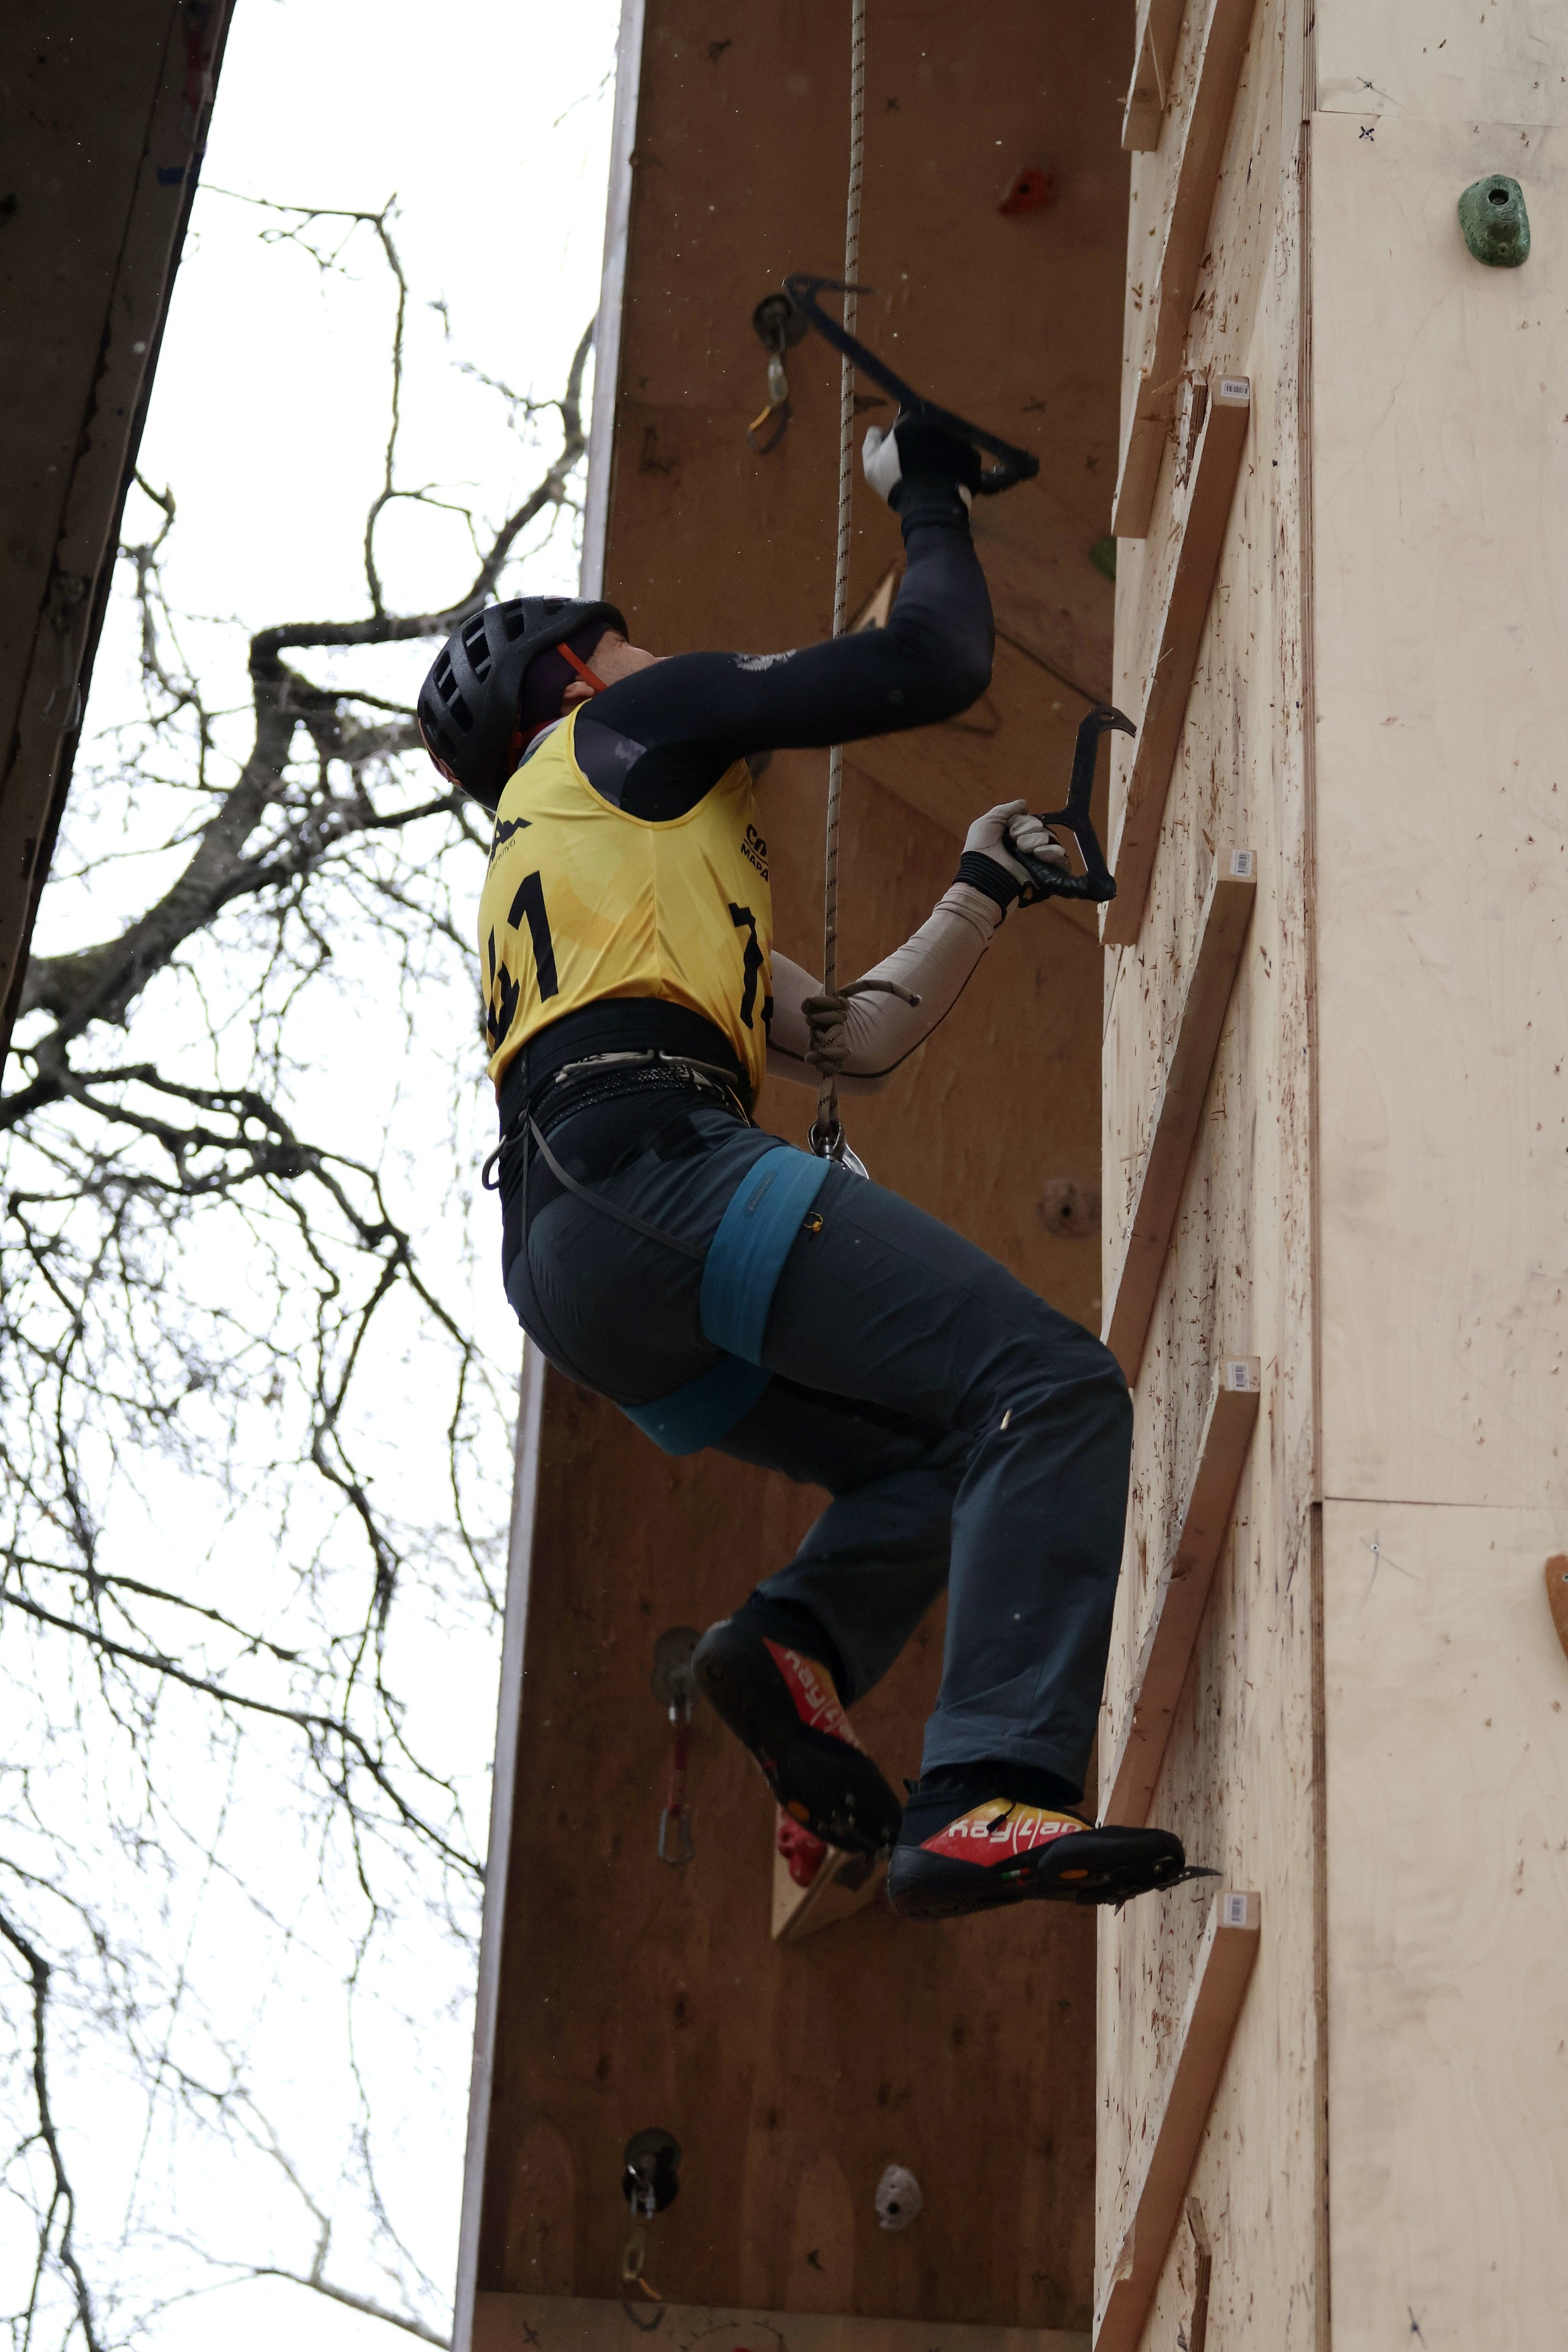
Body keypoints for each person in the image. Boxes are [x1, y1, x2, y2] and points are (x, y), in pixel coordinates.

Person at [418, 418, 1193, 1917]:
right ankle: (983, 1796)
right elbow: (930, 662)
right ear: (571, 675)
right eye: (631, 647)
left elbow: (849, 1038)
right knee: (1046, 1388)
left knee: (934, 1453)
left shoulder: (589, 863)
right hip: (652, 1169)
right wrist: (924, 494)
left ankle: (788, 1651)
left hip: (577, 1260)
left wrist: (979, 883)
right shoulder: (619, 736)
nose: (665, 663)